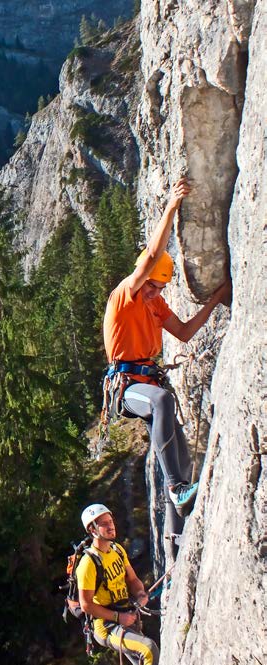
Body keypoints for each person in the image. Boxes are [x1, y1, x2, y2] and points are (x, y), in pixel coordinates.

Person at [103, 178, 231, 544]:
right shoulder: (125, 296)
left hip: (147, 384)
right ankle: (175, 487)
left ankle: (177, 536)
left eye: (158, 288)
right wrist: (172, 206)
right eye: (150, 286)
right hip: (127, 390)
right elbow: (149, 259)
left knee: (180, 449)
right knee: (162, 401)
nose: (152, 292)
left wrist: (217, 297)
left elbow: (187, 332)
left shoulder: (155, 304)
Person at [77, 503, 159, 665]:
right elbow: (86, 605)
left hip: (127, 617)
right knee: (148, 649)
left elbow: (132, 579)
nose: (111, 526)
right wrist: (118, 618)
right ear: (92, 529)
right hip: (107, 627)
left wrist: (140, 592)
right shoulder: (88, 564)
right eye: (104, 524)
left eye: (111, 521)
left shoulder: (117, 550)